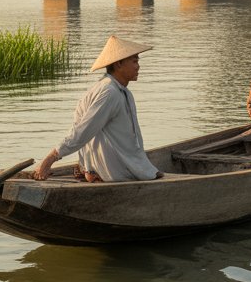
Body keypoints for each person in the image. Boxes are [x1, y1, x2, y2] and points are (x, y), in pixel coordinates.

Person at [33, 35, 160, 182]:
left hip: (123, 166)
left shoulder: (122, 92)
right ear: (118, 64)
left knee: (152, 172)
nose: (138, 66)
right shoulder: (109, 92)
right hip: (113, 173)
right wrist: (49, 160)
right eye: (134, 61)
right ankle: (92, 171)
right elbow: (82, 131)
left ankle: (138, 170)